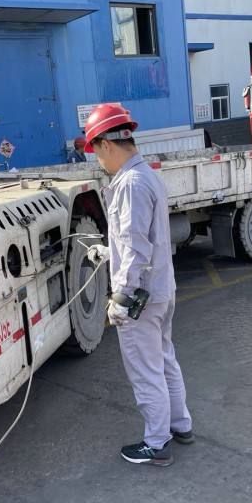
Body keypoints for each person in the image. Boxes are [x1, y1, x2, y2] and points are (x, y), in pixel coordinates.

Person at [84, 103, 193, 467]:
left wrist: (121, 297)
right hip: (159, 289)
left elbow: (135, 246)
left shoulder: (130, 184)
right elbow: (139, 240)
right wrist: (107, 253)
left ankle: (156, 443)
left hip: (139, 299)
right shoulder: (147, 175)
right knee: (163, 360)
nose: (99, 160)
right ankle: (180, 425)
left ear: (106, 144)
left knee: (146, 371)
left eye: (96, 152)